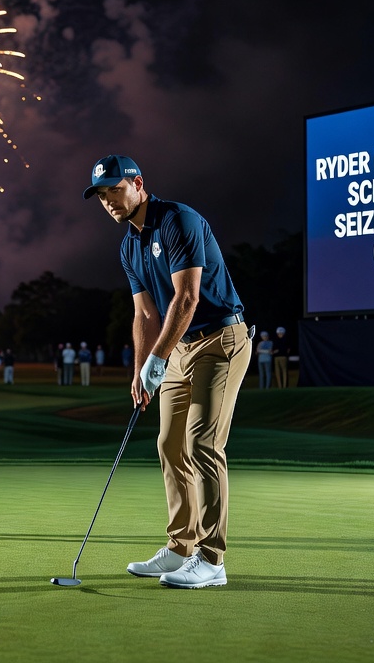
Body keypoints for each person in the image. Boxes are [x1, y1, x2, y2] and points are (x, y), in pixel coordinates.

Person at [84, 154, 250, 589]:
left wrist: (157, 358)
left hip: (220, 340)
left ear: (138, 183)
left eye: (115, 190)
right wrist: (141, 368)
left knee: (202, 443)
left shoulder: (178, 220)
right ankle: (180, 548)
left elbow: (187, 298)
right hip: (177, 350)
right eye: (101, 195)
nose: (108, 202)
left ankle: (212, 560)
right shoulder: (128, 246)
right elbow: (143, 315)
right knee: (168, 443)